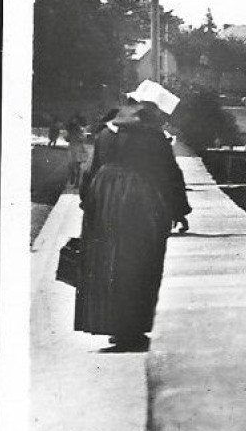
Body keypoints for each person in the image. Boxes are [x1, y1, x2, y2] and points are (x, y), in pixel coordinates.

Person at [75, 99, 190, 352]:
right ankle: (133, 329)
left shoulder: (105, 134)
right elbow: (169, 173)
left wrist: (89, 201)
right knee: (140, 262)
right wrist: (180, 209)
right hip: (138, 200)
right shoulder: (152, 137)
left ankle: (115, 328)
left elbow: (89, 171)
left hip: (103, 197)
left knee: (106, 262)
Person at [63, 114, 87, 189]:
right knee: (71, 165)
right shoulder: (70, 130)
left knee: (78, 166)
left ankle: (77, 182)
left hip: (79, 149)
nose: (74, 121)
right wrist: (68, 136)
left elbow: (83, 138)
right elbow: (67, 139)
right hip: (72, 148)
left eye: (76, 120)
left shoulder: (82, 129)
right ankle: (73, 175)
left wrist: (78, 135)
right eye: (73, 120)